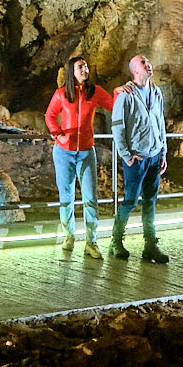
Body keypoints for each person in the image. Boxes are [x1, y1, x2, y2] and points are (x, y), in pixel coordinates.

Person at [43, 55, 116, 257]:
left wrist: (121, 92)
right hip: (63, 152)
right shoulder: (61, 94)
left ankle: (91, 242)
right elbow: (49, 115)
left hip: (85, 151)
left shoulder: (95, 92)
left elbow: (112, 105)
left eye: (85, 66)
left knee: (90, 197)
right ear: (71, 72)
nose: (85, 70)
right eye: (80, 67)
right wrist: (57, 131)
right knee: (66, 197)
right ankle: (69, 235)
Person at [109, 53, 169, 264]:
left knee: (150, 201)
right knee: (130, 201)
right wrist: (125, 155)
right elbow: (118, 127)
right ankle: (116, 241)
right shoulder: (126, 95)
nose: (148, 64)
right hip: (136, 158)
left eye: (148, 61)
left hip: (154, 156)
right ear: (135, 70)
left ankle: (150, 245)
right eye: (143, 63)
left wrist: (163, 152)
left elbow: (160, 122)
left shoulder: (156, 92)